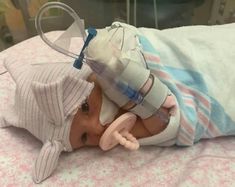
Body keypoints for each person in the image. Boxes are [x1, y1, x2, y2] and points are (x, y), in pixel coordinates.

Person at [1, 21, 235, 183]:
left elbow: (122, 43)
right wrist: (126, 90)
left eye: (85, 107)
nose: (96, 128)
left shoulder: (102, 63)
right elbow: (164, 120)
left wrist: (111, 68)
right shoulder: (124, 127)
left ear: (88, 75)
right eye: (84, 138)